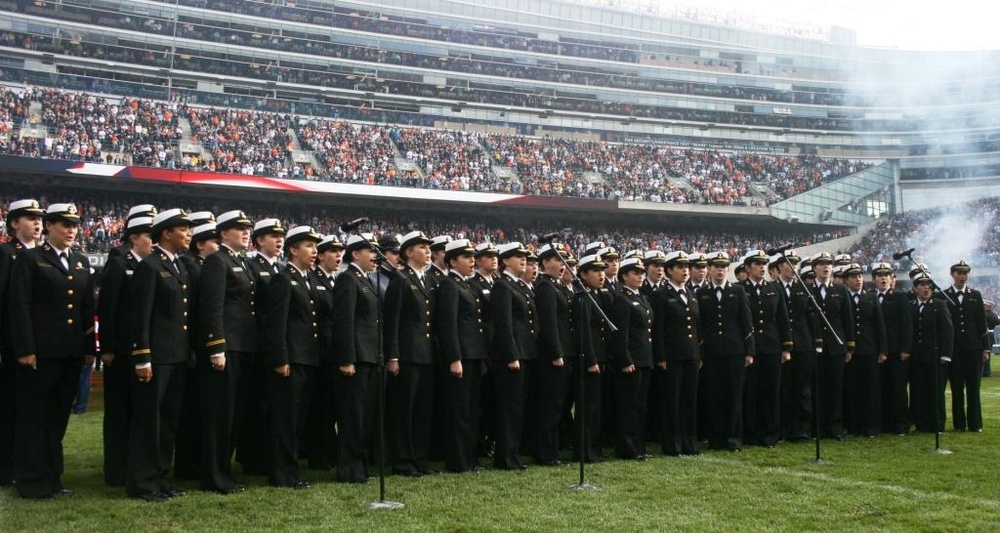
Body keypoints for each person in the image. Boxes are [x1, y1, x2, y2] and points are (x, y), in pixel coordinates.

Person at [9, 203, 96, 499]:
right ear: (48, 227)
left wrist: (88, 348)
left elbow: (86, 310)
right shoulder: (31, 259)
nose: (71, 230)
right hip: (40, 354)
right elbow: (18, 307)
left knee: (58, 418)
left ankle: (52, 477)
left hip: (70, 354)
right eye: (64, 224)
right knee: (34, 417)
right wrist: (25, 348)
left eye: (74, 224)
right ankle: (31, 480)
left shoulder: (81, 261)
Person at [126, 208, 194, 502]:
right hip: (156, 358)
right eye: (184, 229)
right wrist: (142, 357)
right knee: (149, 422)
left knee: (168, 421)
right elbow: (139, 317)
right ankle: (143, 482)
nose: (189, 234)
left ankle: (161, 477)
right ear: (166, 233)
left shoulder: (177, 266)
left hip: (176, 357)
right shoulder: (150, 267)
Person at [197, 210, 256, 494]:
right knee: (220, 415)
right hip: (227, 348)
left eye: (247, 229)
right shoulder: (216, 261)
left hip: (243, 345)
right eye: (238, 228)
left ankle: (225, 471)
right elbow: (212, 306)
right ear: (223, 233)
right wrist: (216, 345)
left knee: (234, 415)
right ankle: (213, 474)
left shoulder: (239, 262)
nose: (246, 233)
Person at [98, 208, 156, 487]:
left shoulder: (148, 265)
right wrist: (107, 347)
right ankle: (116, 470)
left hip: (140, 350)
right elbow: (107, 308)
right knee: (119, 412)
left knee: (137, 412)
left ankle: (132, 465)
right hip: (120, 351)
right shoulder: (119, 264)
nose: (153, 241)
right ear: (134, 238)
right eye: (149, 235)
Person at [262, 225, 323, 489]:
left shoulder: (307, 279)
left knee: (297, 419)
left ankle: (292, 469)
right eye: (309, 246)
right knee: (285, 420)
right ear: (293, 250)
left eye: (315, 246)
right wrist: (280, 359)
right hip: (291, 359)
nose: (314, 251)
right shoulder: (283, 279)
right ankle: (281, 472)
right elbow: (276, 324)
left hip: (307, 358)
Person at [384, 230, 438, 477]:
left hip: (425, 354)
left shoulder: (426, 280)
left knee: (422, 411)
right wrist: (392, 356)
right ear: (408, 252)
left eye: (428, 248)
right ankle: (403, 460)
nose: (428, 251)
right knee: (403, 411)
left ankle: (419, 458)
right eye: (422, 247)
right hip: (406, 355)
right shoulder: (401, 279)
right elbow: (392, 321)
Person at [329, 233, 381, 484]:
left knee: (365, 416)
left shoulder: (365, 279)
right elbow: (344, 321)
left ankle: (358, 466)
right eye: (369, 251)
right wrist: (346, 358)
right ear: (355, 254)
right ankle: (348, 467)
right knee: (352, 416)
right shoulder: (347, 279)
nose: (374, 256)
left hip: (369, 357)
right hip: (356, 358)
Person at [0, 198, 44, 488]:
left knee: (33, 410)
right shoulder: (6, 254)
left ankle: (27, 463)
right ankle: (6, 468)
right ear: (15, 223)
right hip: (12, 345)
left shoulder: (43, 255)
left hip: (40, 345)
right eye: (30, 218)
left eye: (40, 218)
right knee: (10, 409)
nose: (37, 223)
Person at [434, 239, 489, 473]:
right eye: (466, 257)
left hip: (474, 354)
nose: (472, 261)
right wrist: (454, 358)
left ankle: (469, 457)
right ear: (453, 261)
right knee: (459, 411)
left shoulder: (468, 285)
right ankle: (458, 460)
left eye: (472, 257)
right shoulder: (449, 285)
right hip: (461, 357)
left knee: (471, 409)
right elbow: (448, 325)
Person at [240, 218, 286, 475]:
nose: (278, 240)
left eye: (280, 236)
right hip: (259, 343)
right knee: (257, 405)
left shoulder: (280, 267)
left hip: (275, 344)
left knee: (271, 404)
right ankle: (253, 457)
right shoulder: (251, 266)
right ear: (259, 240)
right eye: (272, 236)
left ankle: (267, 454)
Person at [173, 214, 217, 481]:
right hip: (190, 346)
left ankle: (195, 462)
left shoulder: (200, 264)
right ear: (200, 245)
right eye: (213, 240)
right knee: (189, 413)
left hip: (198, 345)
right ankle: (187, 465)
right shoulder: (189, 265)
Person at [697, 251, 754, 452]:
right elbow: (700, 325)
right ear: (710, 270)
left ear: (728, 270)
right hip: (712, 353)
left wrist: (749, 351)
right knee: (715, 396)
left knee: (734, 396)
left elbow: (746, 322)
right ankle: (717, 438)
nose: (720, 270)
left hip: (735, 351)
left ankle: (734, 438)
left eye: (723, 267)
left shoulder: (737, 291)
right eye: (716, 266)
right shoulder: (702, 293)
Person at [491, 242, 537, 470]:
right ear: (506, 260)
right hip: (512, 356)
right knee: (509, 408)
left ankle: (513, 453)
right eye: (518, 256)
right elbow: (504, 325)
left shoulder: (520, 286)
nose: (524, 260)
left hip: (525, 353)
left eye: (525, 257)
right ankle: (505, 456)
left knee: (519, 407)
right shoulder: (503, 286)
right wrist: (511, 355)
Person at [651, 251, 701, 456]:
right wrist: (661, 356)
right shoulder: (661, 295)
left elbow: (697, 327)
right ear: (670, 270)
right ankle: (672, 443)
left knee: (689, 400)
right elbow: (658, 329)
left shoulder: (690, 293)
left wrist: (699, 354)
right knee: (672, 401)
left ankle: (689, 442)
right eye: (680, 267)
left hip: (691, 354)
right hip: (672, 356)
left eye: (687, 267)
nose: (685, 271)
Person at [740, 250, 792, 448]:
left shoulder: (774, 289)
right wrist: (747, 349)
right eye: (757, 264)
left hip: (772, 346)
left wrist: (786, 347)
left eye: (764, 264)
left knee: (771, 391)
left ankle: (770, 433)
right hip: (752, 348)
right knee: (751, 391)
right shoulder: (740, 288)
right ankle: (751, 432)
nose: (762, 267)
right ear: (748, 267)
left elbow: (782, 319)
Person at [529, 243, 573, 467]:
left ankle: (552, 450)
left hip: (563, 352)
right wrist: (557, 352)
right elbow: (549, 324)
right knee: (549, 407)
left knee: (558, 406)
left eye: (565, 260)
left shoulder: (557, 286)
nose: (563, 264)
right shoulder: (545, 286)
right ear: (545, 262)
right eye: (558, 260)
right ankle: (545, 453)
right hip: (552, 356)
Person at [304, 234, 344, 472]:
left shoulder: (335, 281)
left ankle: (330, 452)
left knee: (331, 406)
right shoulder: (312, 278)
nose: (339, 256)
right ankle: (318, 455)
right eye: (333, 252)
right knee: (319, 408)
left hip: (333, 353)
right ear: (320, 255)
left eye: (340, 252)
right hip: (318, 352)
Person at [610, 254, 655, 460]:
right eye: (635, 273)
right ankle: (627, 447)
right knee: (628, 406)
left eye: (641, 273)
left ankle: (639, 445)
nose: (640, 277)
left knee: (641, 405)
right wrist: (625, 359)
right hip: (632, 360)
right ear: (624, 276)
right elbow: (621, 334)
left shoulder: (642, 298)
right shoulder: (622, 299)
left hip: (645, 358)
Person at [774, 251, 820, 442]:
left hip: (804, 344)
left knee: (803, 389)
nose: (793, 267)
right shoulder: (773, 288)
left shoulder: (804, 289)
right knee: (784, 389)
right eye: (788, 263)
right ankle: (784, 429)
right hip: (782, 345)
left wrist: (817, 343)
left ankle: (801, 429)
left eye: (795, 263)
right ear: (778, 268)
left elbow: (813, 318)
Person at [810, 252, 854, 440]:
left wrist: (850, 346)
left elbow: (847, 319)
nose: (825, 267)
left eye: (828, 264)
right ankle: (818, 426)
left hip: (837, 346)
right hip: (817, 346)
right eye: (821, 264)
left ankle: (835, 427)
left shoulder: (840, 290)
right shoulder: (808, 289)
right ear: (814, 268)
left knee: (836, 388)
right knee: (818, 387)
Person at [571, 253, 611, 463]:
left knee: (596, 407)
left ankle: (593, 449)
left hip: (600, 356)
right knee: (588, 408)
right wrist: (592, 360)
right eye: (596, 271)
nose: (601, 275)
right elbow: (584, 332)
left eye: (602, 271)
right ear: (583, 274)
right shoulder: (583, 297)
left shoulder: (595, 295)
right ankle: (585, 451)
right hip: (590, 359)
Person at [942, 260, 989, 432]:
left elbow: (981, 323)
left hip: (973, 348)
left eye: (965, 273)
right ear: (952, 274)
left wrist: (986, 348)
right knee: (956, 388)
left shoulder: (975, 295)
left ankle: (975, 423)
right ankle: (959, 424)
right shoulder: (944, 295)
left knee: (973, 388)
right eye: (959, 273)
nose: (962, 276)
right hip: (954, 349)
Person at [843, 263, 887, 437]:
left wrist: (883, 350)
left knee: (871, 390)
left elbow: (879, 325)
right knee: (852, 389)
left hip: (870, 349)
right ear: (846, 280)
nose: (858, 279)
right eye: (853, 277)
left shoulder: (871, 297)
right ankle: (854, 425)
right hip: (851, 351)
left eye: (860, 276)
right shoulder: (843, 296)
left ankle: (872, 426)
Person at [872, 262, 913, 436]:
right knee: (882, 387)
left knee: (898, 389)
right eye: (880, 275)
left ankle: (901, 424)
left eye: (886, 275)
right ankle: (885, 423)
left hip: (896, 350)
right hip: (878, 351)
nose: (883, 278)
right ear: (874, 279)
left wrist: (906, 348)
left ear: (891, 278)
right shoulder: (870, 297)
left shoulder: (899, 296)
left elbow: (907, 324)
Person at [910, 273, 953, 433]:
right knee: (919, 391)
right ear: (915, 288)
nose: (926, 287)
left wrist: (945, 354)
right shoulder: (911, 305)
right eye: (922, 284)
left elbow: (947, 331)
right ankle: (921, 424)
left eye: (929, 284)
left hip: (935, 356)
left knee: (936, 392)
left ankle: (937, 424)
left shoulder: (940, 305)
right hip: (917, 356)